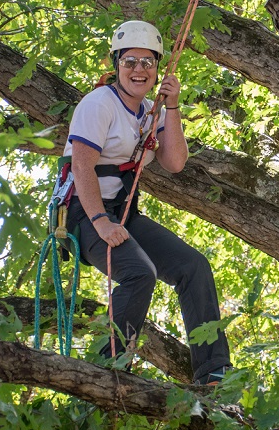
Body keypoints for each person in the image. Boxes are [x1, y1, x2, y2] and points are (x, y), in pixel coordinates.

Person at [63, 20, 232, 385]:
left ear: (156, 70)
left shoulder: (149, 113)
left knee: (193, 266)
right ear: (116, 65)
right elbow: (81, 165)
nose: (139, 70)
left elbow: (174, 162)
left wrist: (172, 107)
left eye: (147, 63)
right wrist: (100, 221)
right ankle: (107, 368)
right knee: (140, 273)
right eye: (130, 62)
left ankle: (214, 371)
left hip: (123, 214)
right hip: (84, 214)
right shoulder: (99, 103)